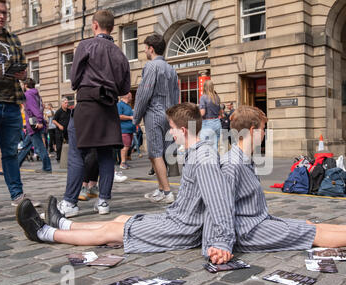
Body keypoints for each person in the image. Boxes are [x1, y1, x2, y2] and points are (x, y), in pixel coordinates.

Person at [15, 102, 235, 265]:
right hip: (176, 219)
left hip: (180, 228)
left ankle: (44, 233)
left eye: (171, 127)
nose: (170, 132)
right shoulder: (196, 152)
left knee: (111, 230)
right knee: (120, 219)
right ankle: (62, 223)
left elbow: (218, 202)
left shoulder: (203, 157)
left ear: (183, 130)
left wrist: (222, 242)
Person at [206, 106, 346, 264]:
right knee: (312, 233)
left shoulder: (245, 159)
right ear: (252, 130)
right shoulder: (231, 164)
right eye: (263, 129)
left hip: (258, 222)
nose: (265, 133)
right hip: (248, 231)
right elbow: (217, 208)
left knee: (309, 224)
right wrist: (219, 244)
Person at [56, 10, 130, 217]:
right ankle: (104, 202)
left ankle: (70, 202)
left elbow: (74, 78)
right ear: (112, 27)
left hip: (88, 103)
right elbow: (125, 88)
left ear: (95, 25)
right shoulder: (121, 55)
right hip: (109, 105)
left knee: (77, 151)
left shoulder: (85, 45)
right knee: (106, 154)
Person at [0, 0, 40, 207]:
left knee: (10, 151)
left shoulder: (13, 38)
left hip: (11, 102)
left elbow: (23, 65)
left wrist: (22, 74)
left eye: (4, 12)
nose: (1, 16)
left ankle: (17, 197)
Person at [133, 34, 179, 204]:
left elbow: (144, 94)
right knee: (160, 154)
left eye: (145, 48)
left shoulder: (151, 66)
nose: (144, 51)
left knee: (155, 153)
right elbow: (176, 94)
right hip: (169, 114)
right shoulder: (170, 69)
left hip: (154, 113)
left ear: (151, 49)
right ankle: (161, 189)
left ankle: (166, 192)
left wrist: (136, 117)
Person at [17, 78, 52, 173]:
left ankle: (47, 167)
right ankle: (16, 166)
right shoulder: (36, 93)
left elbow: (35, 109)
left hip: (34, 125)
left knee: (39, 146)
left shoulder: (28, 94)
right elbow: (40, 107)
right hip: (33, 125)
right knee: (25, 146)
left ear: (25, 85)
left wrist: (39, 121)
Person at [199, 80, 222, 150]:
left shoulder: (203, 97)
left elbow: (202, 113)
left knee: (205, 146)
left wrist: (196, 114)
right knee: (214, 146)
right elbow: (220, 112)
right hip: (217, 123)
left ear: (204, 87)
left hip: (207, 123)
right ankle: (214, 160)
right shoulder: (217, 97)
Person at [117, 92, 134, 170]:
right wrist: (130, 117)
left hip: (130, 129)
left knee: (128, 147)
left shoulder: (128, 106)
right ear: (127, 96)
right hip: (124, 129)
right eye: (131, 96)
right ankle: (122, 163)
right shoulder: (120, 105)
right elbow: (119, 116)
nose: (132, 97)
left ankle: (125, 162)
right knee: (125, 147)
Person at [52, 98, 71, 162]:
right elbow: (54, 120)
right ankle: (59, 158)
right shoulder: (59, 111)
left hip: (67, 130)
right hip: (59, 131)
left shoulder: (69, 111)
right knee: (59, 146)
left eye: (67, 102)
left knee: (70, 143)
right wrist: (59, 125)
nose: (67, 104)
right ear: (62, 103)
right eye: (65, 103)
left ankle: (69, 157)